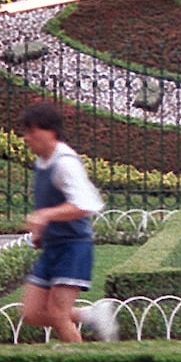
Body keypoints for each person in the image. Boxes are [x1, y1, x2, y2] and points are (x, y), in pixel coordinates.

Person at [18, 101, 118, 343]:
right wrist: (42, 231)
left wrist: (46, 216)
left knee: (58, 314)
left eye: (32, 131)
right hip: (53, 247)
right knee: (31, 313)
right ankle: (91, 315)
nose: (26, 138)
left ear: (50, 131)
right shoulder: (43, 162)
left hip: (73, 247)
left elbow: (85, 205)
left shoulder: (65, 163)